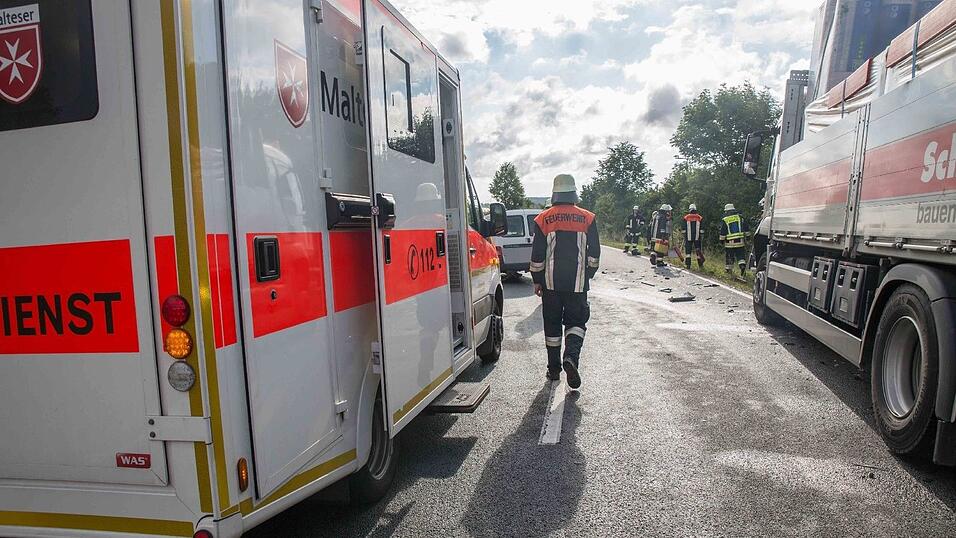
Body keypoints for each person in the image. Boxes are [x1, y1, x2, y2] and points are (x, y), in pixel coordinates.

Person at [529, 174, 600, 389]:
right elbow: (594, 253)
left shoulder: (543, 219)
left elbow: (537, 255)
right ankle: (571, 358)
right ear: (574, 193)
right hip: (577, 284)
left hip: (550, 284)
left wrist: (537, 280)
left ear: (554, 193)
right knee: (576, 322)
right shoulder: (588, 218)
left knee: (552, 325)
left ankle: (554, 369)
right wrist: (588, 274)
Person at [720, 203, 749, 276]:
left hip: (729, 243)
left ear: (727, 211)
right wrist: (748, 237)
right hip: (740, 242)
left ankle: (729, 271)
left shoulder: (725, 220)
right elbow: (746, 228)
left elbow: (723, 231)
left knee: (730, 256)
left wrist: (721, 240)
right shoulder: (740, 218)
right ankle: (742, 266)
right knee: (741, 256)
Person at [682, 204, 705, 269]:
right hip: (697, 237)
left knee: (688, 252)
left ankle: (688, 265)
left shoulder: (686, 217)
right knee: (698, 251)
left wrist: (684, 235)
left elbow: (683, 229)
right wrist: (701, 235)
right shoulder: (699, 217)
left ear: (689, 210)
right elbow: (702, 229)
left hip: (688, 237)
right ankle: (700, 265)